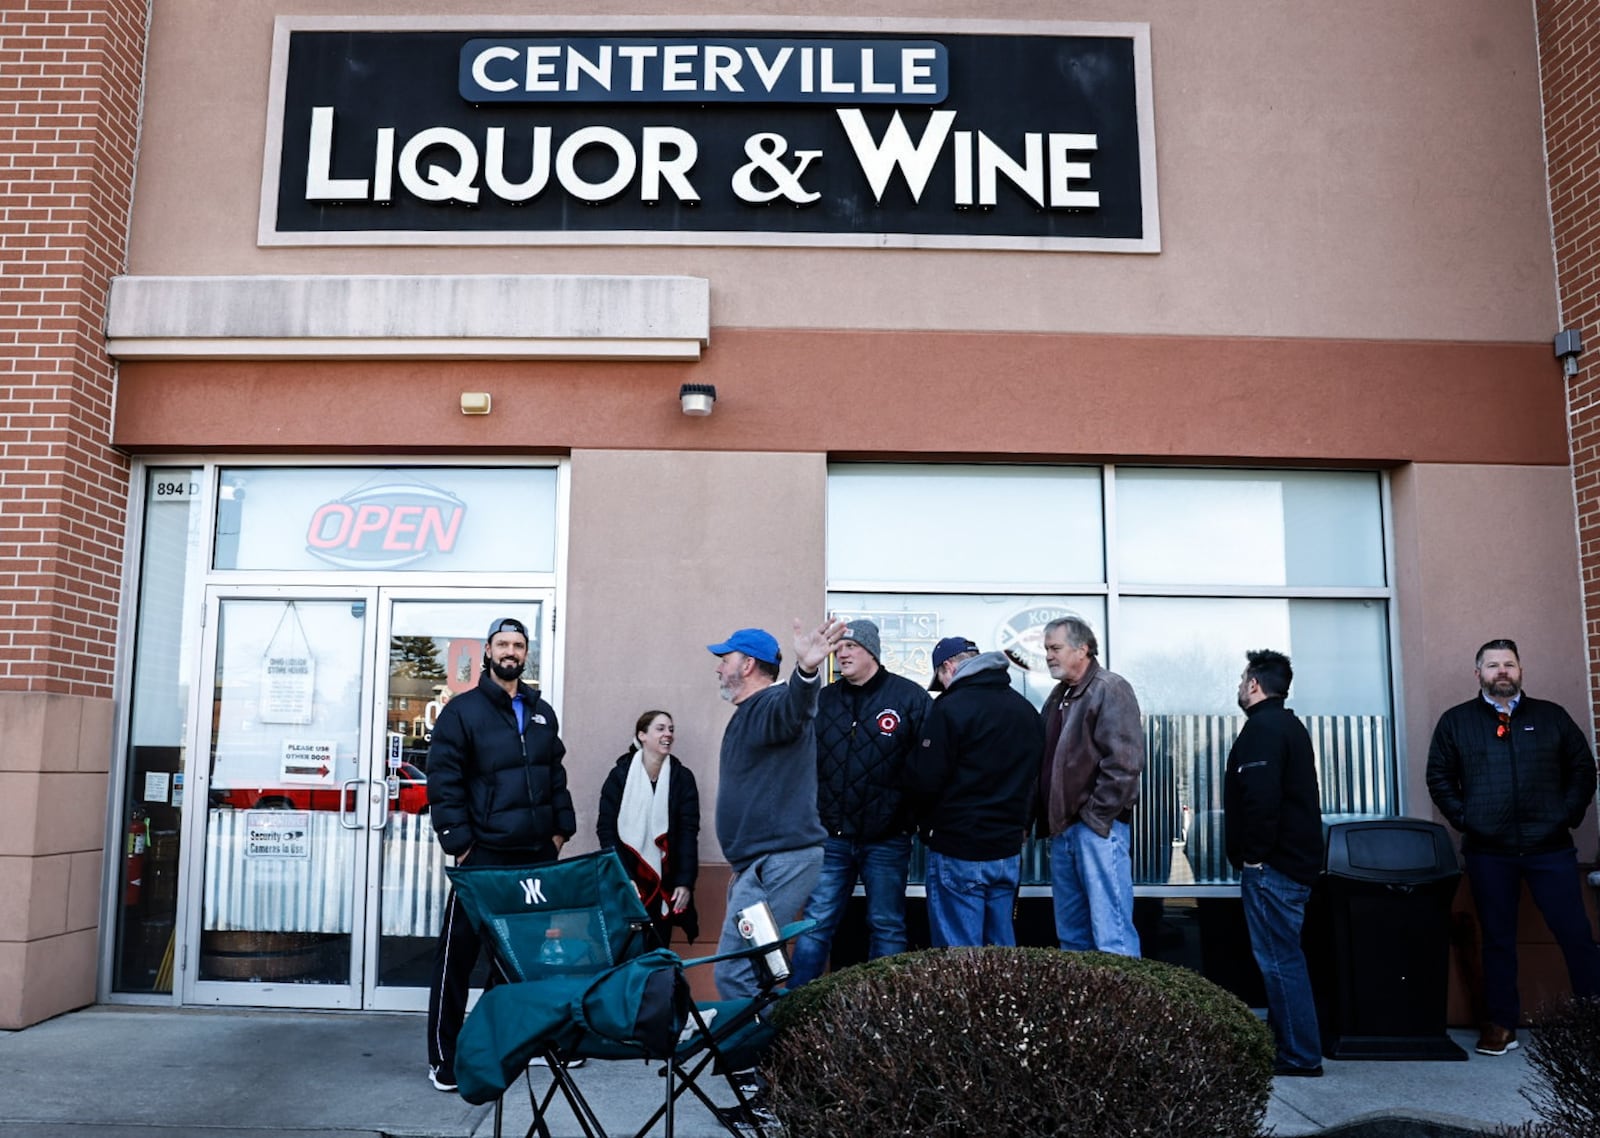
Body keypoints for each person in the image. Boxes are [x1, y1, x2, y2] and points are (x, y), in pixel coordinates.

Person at [1426, 637, 1600, 1057]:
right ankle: (1501, 1025)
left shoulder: (1551, 716)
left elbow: (1582, 767)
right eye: (1492, 665)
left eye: (1508, 664)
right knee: (1498, 940)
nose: (1501, 671)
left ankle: (1593, 1025)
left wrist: (1566, 814)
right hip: (1489, 852)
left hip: (1551, 849)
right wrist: (1469, 821)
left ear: (1520, 670)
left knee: (1576, 935)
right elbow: (1439, 778)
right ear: (1479, 674)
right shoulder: (1457, 721)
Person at [423, 616, 575, 1093]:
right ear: (488, 651)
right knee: (458, 957)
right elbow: (443, 781)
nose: (511, 651)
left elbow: (555, 775)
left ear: (525, 653)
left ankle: (523, 1043)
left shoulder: (540, 711)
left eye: (518, 644)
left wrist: (560, 832)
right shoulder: (462, 712)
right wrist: (460, 843)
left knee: (532, 956)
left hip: (534, 855)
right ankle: (445, 1058)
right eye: (503, 643)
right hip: (483, 855)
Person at [788, 619, 932, 986]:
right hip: (830, 837)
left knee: (887, 925)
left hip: (886, 838)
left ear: (871, 651)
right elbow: (795, 743)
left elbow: (929, 765)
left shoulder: (909, 697)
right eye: (839, 647)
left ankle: (884, 1009)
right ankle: (793, 1010)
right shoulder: (825, 698)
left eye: (850, 646)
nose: (842, 652)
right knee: (816, 923)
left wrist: (907, 819)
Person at [707, 618, 844, 998]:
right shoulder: (749, 711)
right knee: (762, 972)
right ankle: (781, 1053)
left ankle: (755, 1057)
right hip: (760, 864)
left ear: (747, 664)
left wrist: (807, 670)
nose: (718, 666)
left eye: (725, 658)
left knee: (736, 973)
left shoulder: (770, 705)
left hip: (777, 862)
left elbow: (795, 710)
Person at [1224, 649, 1325, 1077]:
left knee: (1280, 962)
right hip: (1289, 865)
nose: (1240, 687)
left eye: (1242, 680)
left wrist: (1254, 858)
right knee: (1285, 958)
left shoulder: (1263, 730)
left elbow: (1261, 801)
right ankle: (1290, 1046)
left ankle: (1299, 1054)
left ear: (1253, 684)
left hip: (1274, 869)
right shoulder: (1288, 725)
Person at [909, 635, 1044, 947]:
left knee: (959, 953)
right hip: (1007, 849)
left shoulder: (951, 707)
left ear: (948, 666)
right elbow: (1035, 779)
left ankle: (962, 1000)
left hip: (959, 845)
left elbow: (926, 780)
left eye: (941, 678)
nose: (942, 686)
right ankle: (1004, 998)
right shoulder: (1024, 709)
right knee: (1000, 950)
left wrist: (922, 824)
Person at [1038, 616, 1144, 957]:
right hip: (1065, 832)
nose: (1049, 656)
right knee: (1073, 940)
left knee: (1113, 937)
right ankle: (1084, 1012)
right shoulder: (1058, 696)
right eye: (1046, 650)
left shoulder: (1109, 688)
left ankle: (1127, 1011)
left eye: (1055, 648)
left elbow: (1125, 763)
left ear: (1082, 648)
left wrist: (1094, 819)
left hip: (1096, 831)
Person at [596, 709, 701, 946]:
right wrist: (625, 877)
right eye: (661, 728)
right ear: (642, 735)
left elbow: (688, 833)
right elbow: (606, 830)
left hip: (666, 880)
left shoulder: (682, 778)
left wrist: (685, 882)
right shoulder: (620, 776)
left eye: (671, 729)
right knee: (626, 950)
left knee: (658, 949)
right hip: (628, 880)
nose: (668, 734)